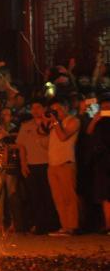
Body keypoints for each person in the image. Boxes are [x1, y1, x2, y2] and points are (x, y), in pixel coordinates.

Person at [17, 100, 58, 234]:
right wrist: (23, 163)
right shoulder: (26, 126)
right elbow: (21, 147)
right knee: (35, 196)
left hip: (48, 163)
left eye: (38, 107)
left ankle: (53, 224)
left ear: (44, 108)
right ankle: (40, 225)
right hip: (32, 165)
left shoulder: (51, 124)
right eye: (32, 107)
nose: (35, 110)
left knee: (49, 195)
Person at [45, 98, 81, 236]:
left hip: (66, 163)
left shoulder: (73, 121)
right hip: (52, 164)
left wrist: (55, 122)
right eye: (53, 110)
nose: (55, 112)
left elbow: (63, 137)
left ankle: (72, 226)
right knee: (58, 198)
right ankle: (64, 226)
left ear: (66, 107)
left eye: (58, 109)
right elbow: (47, 142)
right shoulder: (54, 124)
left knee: (69, 197)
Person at [86, 93, 110, 233]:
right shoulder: (98, 120)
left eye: (108, 106)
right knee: (104, 195)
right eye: (103, 106)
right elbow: (89, 132)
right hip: (101, 160)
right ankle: (108, 224)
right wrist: (95, 119)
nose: (106, 108)